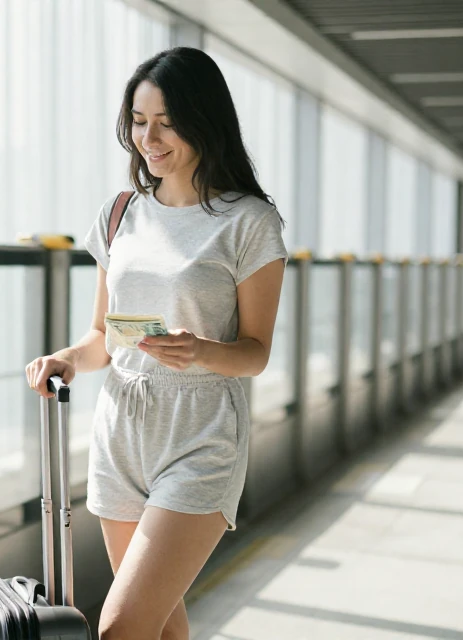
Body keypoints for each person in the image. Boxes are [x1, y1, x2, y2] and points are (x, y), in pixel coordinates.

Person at [25, 47, 287, 639]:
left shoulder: (249, 222)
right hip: (121, 430)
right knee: (161, 631)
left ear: (204, 119)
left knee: (120, 628)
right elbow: (105, 335)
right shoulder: (121, 214)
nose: (150, 137)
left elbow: (256, 350)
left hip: (200, 434)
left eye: (166, 122)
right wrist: (68, 358)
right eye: (139, 122)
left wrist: (200, 351)